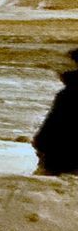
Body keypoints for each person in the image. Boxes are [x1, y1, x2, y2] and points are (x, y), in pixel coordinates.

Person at [34, 47, 78, 176]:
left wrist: (41, 144)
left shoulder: (69, 94)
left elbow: (50, 130)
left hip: (61, 158)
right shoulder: (68, 93)